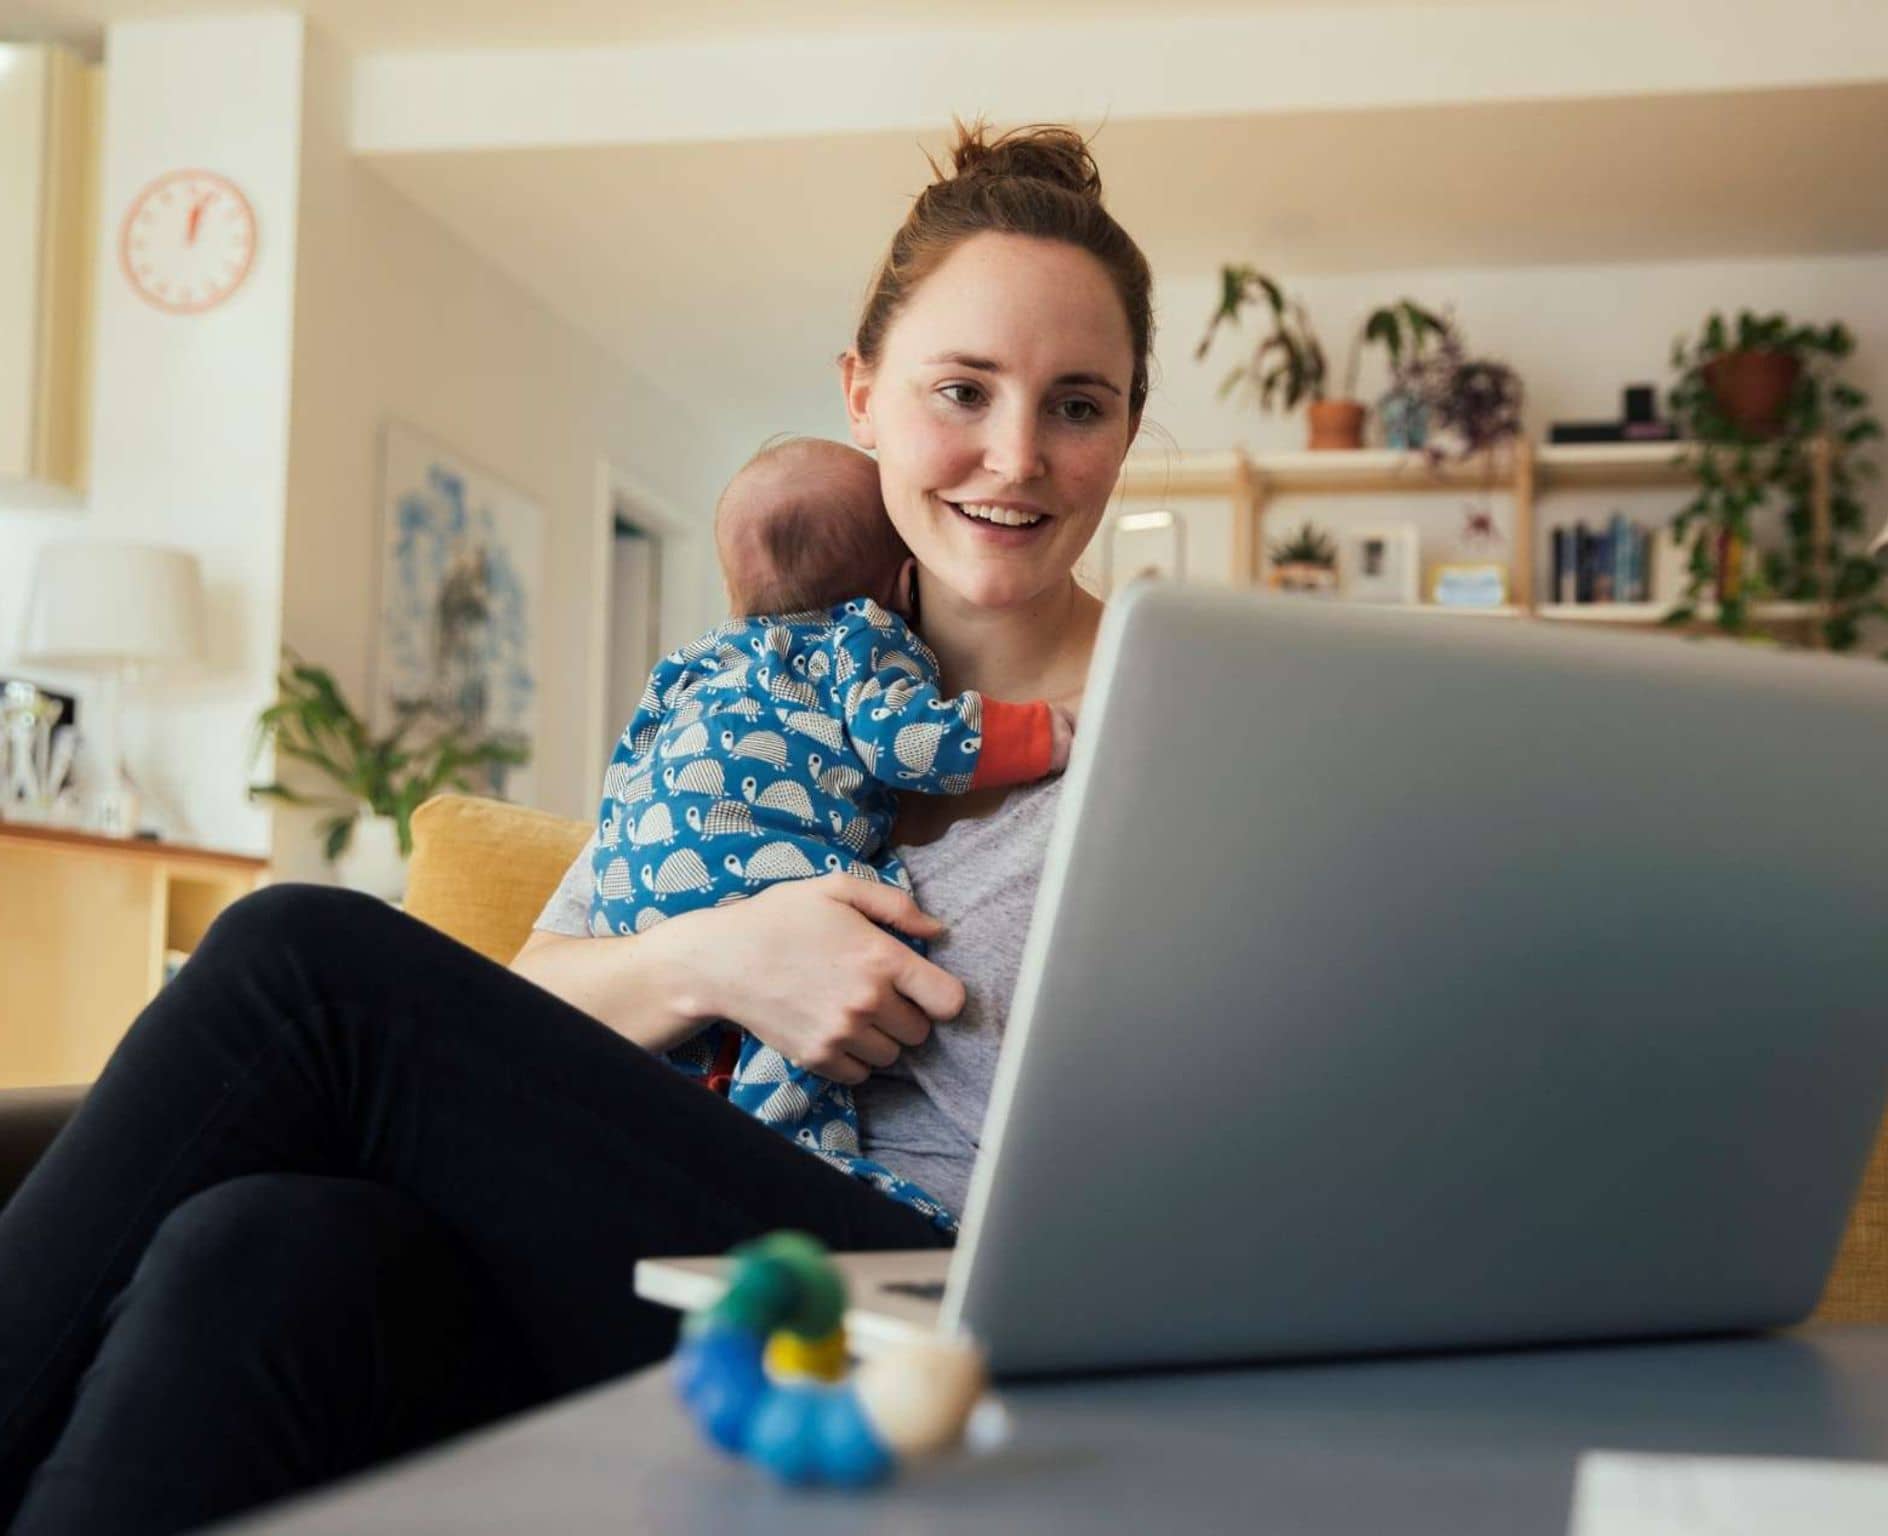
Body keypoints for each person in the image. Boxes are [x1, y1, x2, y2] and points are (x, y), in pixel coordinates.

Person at [0, 118, 1151, 1536]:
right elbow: (528, 1003)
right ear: (861, 396)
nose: (1015, 456)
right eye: (961, 390)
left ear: (1130, 427)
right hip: (644, 1268)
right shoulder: (747, 694)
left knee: (300, 958)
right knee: (259, 1246)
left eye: (1078, 404)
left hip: (917, 1304)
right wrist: (716, 960)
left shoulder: (1181, 726)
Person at [594, 434, 1076, 1227]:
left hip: (633, 884)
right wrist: (1050, 734)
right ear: (899, 583)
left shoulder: (697, 662)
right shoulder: (860, 637)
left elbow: (630, 764)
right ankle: (797, 1142)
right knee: (855, 943)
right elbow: (911, 742)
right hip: (762, 885)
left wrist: (620, 867)